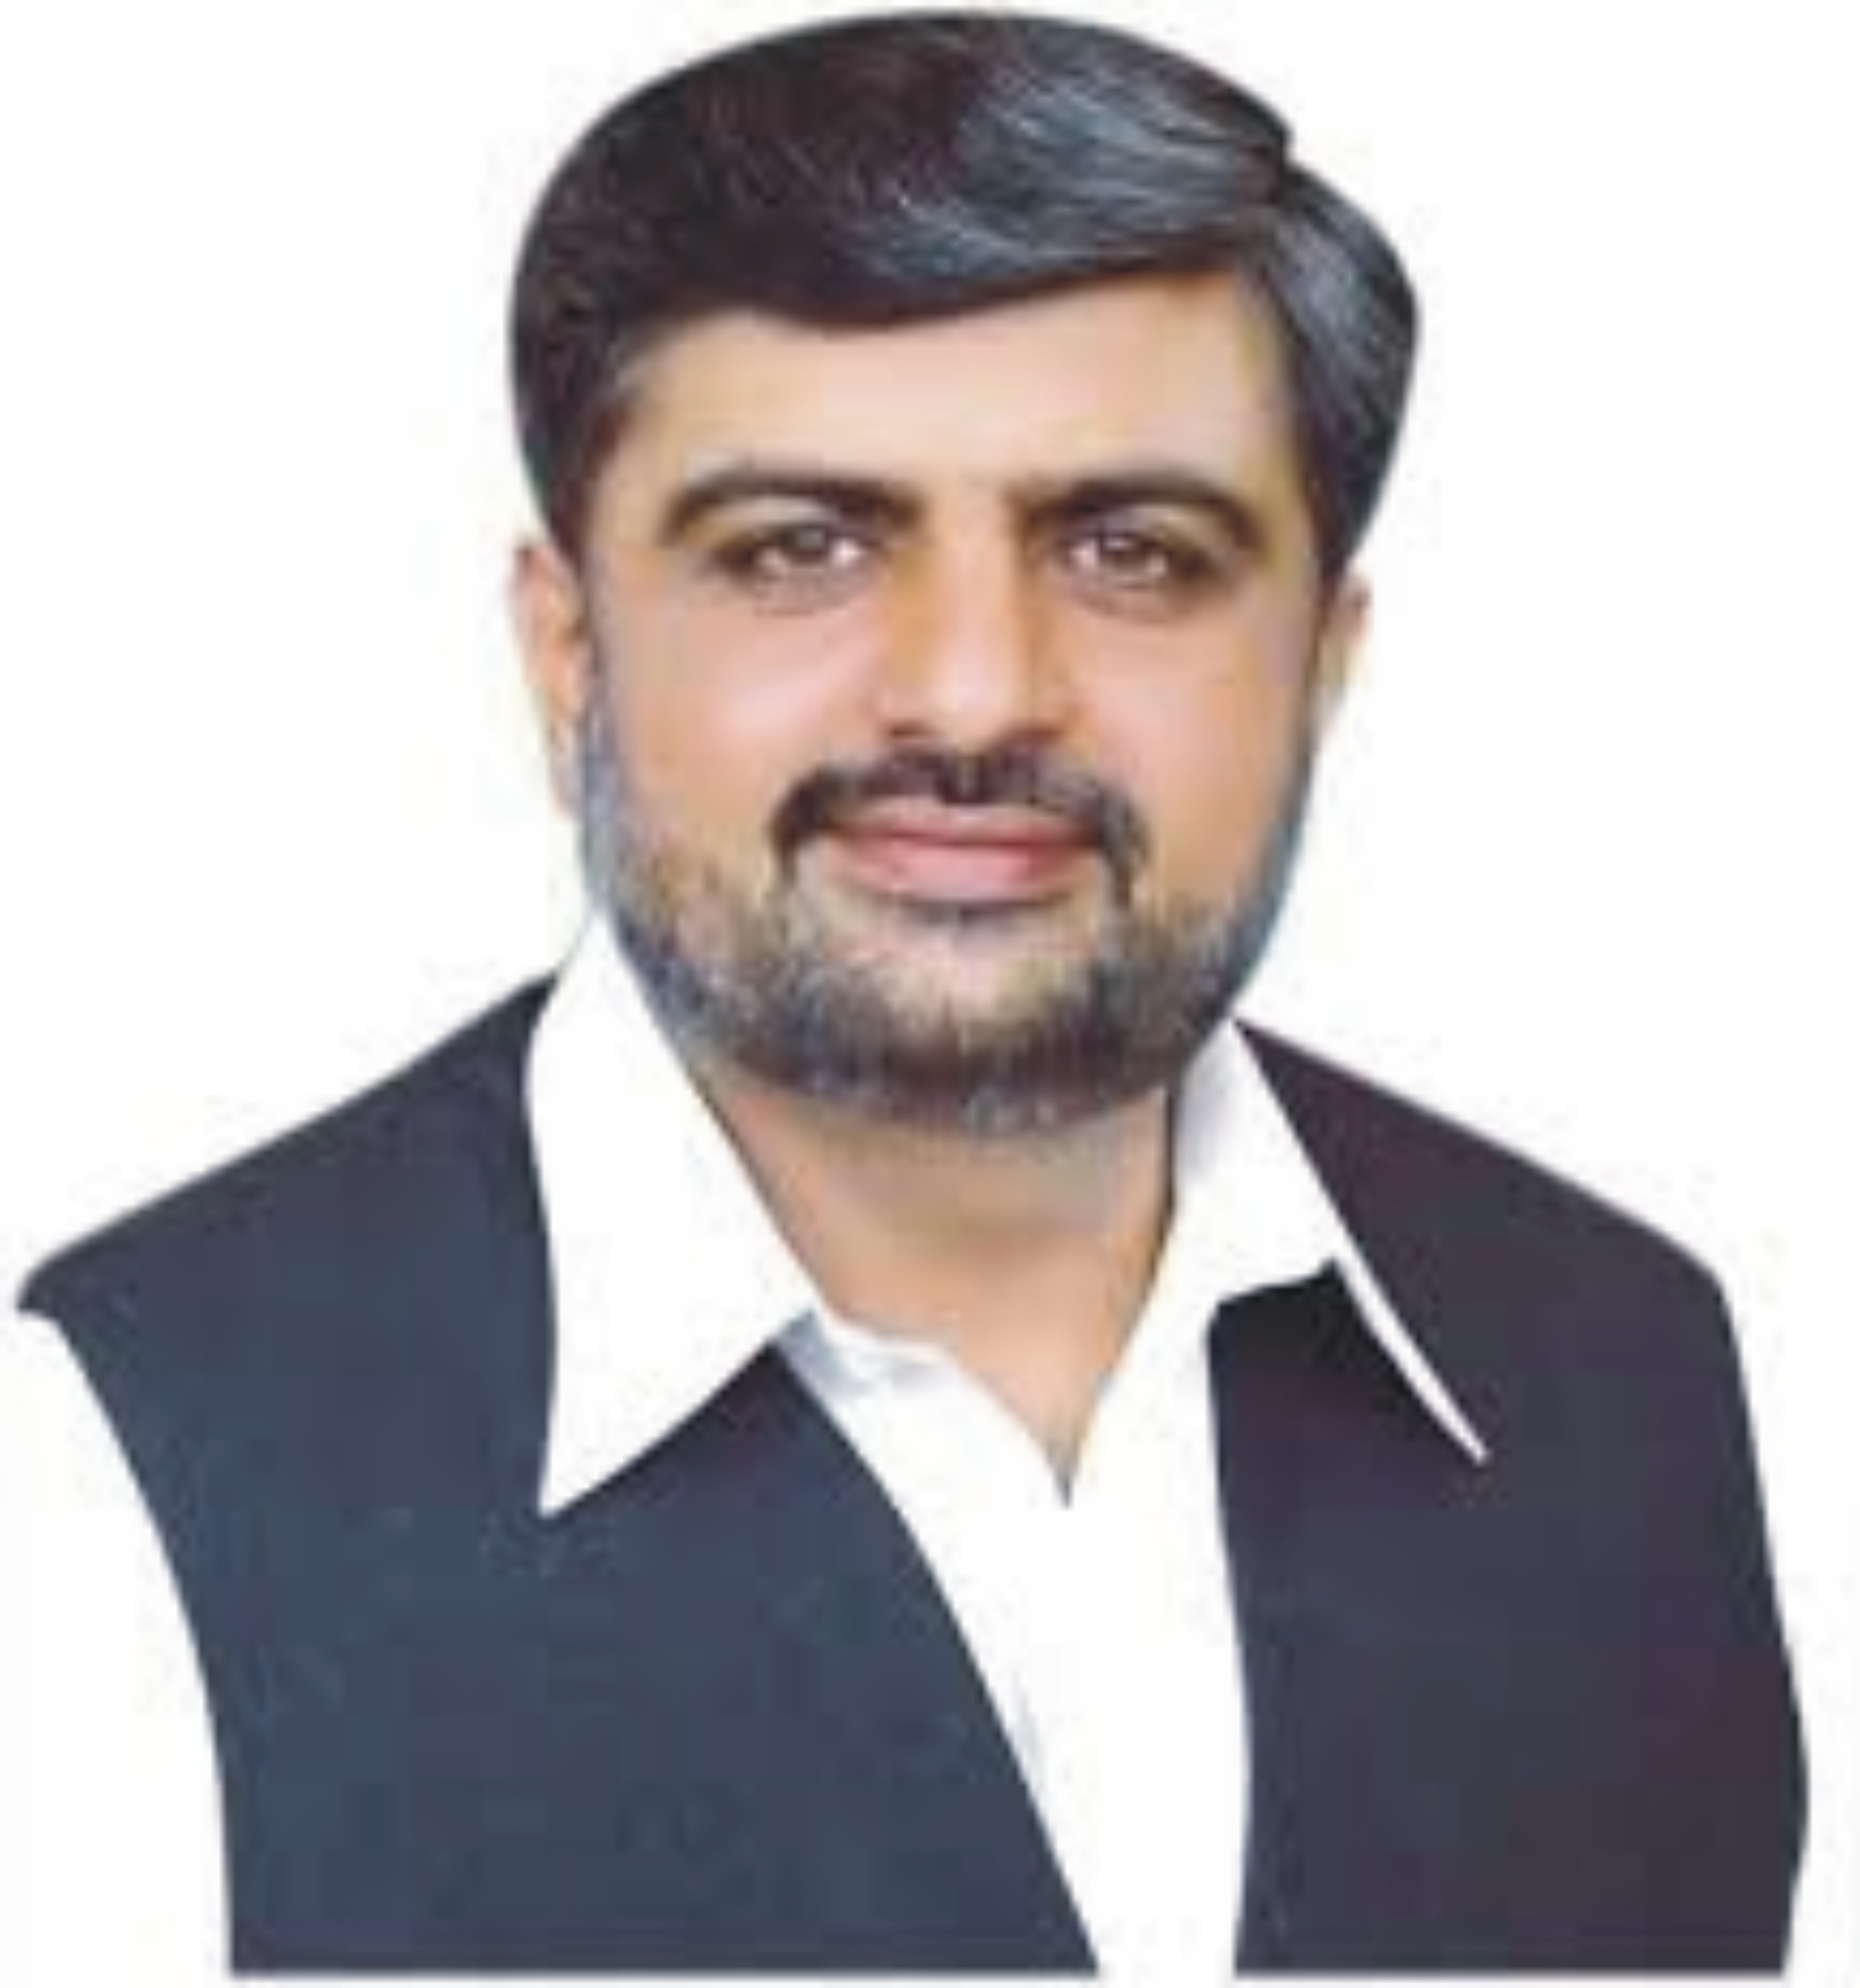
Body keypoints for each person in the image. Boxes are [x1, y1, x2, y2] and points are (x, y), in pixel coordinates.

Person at [9, 10, 1803, 1975]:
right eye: (802, 546)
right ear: (566, 653)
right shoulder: (95, 1467)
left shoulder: (1631, 1379)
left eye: (1131, 551)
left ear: (1324, 661)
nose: (972, 694)